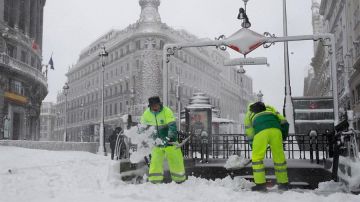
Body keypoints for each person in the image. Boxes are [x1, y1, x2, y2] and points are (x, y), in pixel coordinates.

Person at [139, 96, 186, 183]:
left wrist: (168, 138)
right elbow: (142, 128)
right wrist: (143, 138)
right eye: (152, 106)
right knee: (155, 162)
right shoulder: (146, 114)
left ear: (160, 104)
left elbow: (172, 126)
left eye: (156, 105)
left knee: (175, 160)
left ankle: (179, 179)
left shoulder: (167, 111)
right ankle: (154, 180)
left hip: (171, 142)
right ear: (150, 106)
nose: (154, 107)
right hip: (157, 142)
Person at [244, 101, 289, 191]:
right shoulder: (271, 108)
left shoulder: (249, 113)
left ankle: (260, 185)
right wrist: (283, 136)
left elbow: (250, 132)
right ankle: (283, 183)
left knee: (257, 159)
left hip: (261, 132)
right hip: (276, 130)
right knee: (279, 157)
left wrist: (253, 144)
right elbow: (284, 122)